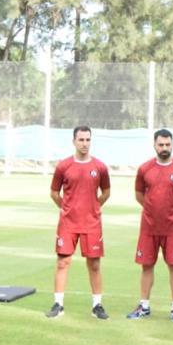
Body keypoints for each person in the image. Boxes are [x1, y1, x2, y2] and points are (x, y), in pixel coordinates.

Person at [126, 129, 173, 321]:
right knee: (146, 266)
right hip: (149, 227)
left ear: (172, 144)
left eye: (167, 144)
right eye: (161, 145)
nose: (164, 148)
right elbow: (139, 195)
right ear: (154, 145)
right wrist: (152, 210)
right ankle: (144, 306)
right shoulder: (144, 169)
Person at [46, 126, 111, 319]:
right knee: (62, 262)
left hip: (91, 223)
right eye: (81, 140)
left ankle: (97, 305)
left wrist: (94, 206)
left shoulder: (99, 167)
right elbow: (54, 193)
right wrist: (66, 208)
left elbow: (106, 192)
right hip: (68, 223)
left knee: (94, 264)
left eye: (87, 140)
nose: (84, 144)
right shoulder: (63, 166)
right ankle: (58, 304)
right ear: (74, 141)